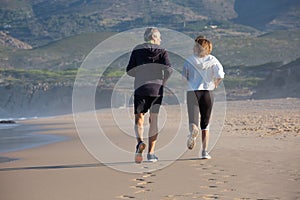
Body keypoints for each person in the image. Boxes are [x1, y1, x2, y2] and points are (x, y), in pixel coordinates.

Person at [126, 27, 173, 163]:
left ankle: (140, 142)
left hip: (140, 88)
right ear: (154, 37)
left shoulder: (137, 49)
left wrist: (140, 74)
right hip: (156, 89)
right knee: (154, 120)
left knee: (139, 118)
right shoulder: (163, 52)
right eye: (159, 37)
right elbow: (169, 70)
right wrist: (163, 81)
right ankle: (151, 154)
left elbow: (129, 70)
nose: (160, 40)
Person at [182, 36, 224, 159]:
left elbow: (184, 78)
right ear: (208, 48)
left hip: (192, 92)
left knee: (193, 120)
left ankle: (193, 131)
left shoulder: (189, 60)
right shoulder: (213, 60)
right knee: (205, 124)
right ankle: (204, 152)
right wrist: (215, 83)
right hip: (207, 93)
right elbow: (220, 75)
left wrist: (188, 84)